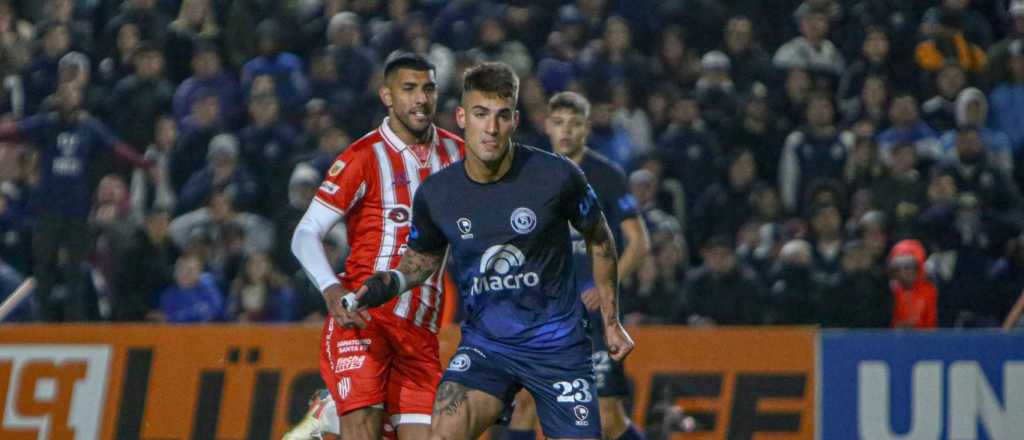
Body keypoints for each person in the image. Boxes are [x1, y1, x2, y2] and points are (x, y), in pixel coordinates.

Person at [339, 62, 635, 440]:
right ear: (462, 117)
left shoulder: (556, 176)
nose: (491, 129)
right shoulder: (437, 194)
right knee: (444, 431)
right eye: (480, 115)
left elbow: (600, 238)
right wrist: (386, 284)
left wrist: (611, 321)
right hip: (488, 347)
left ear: (515, 120)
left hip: (557, 346)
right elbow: (423, 260)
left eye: (501, 116)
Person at [290, 52, 464, 440]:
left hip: (420, 333)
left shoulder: (459, 156)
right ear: (387, 96)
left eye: (428, 88)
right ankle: (342, 413)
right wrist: (331, 289)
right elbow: (305, 234)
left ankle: (331, 413)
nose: (421, 98)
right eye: (409, 89)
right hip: (364, 319)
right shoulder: (363, 156)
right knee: (364, 427)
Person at [506, 90, 650, 440]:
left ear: (586, 128)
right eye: (558, 123)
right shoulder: (530, 176)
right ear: (547, 127)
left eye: (574, 124)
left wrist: (605, 289)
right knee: (524, 402)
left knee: (609, 417)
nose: (566, 131)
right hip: (545, 311)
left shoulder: (607, 176)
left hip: (597, 317)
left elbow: (639, 243)